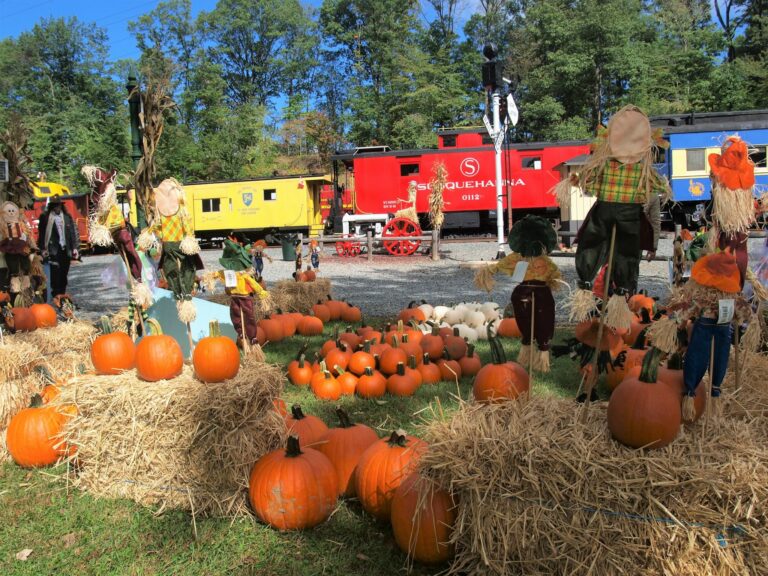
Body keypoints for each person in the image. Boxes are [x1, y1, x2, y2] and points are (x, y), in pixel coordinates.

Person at [37, 197, 79, 299]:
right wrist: (42, 248)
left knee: (64, 272)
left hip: (65, 248)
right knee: (55, 272)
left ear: (61, 206)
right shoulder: (45, 217)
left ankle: (62, 293)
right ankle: (56, 294)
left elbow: (72, 233)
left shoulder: (67, 217)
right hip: (52, 249)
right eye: (55, 205)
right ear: (51, 206)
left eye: (59, 205)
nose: (57, 207)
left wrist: (74, 247)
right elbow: (42, 234)